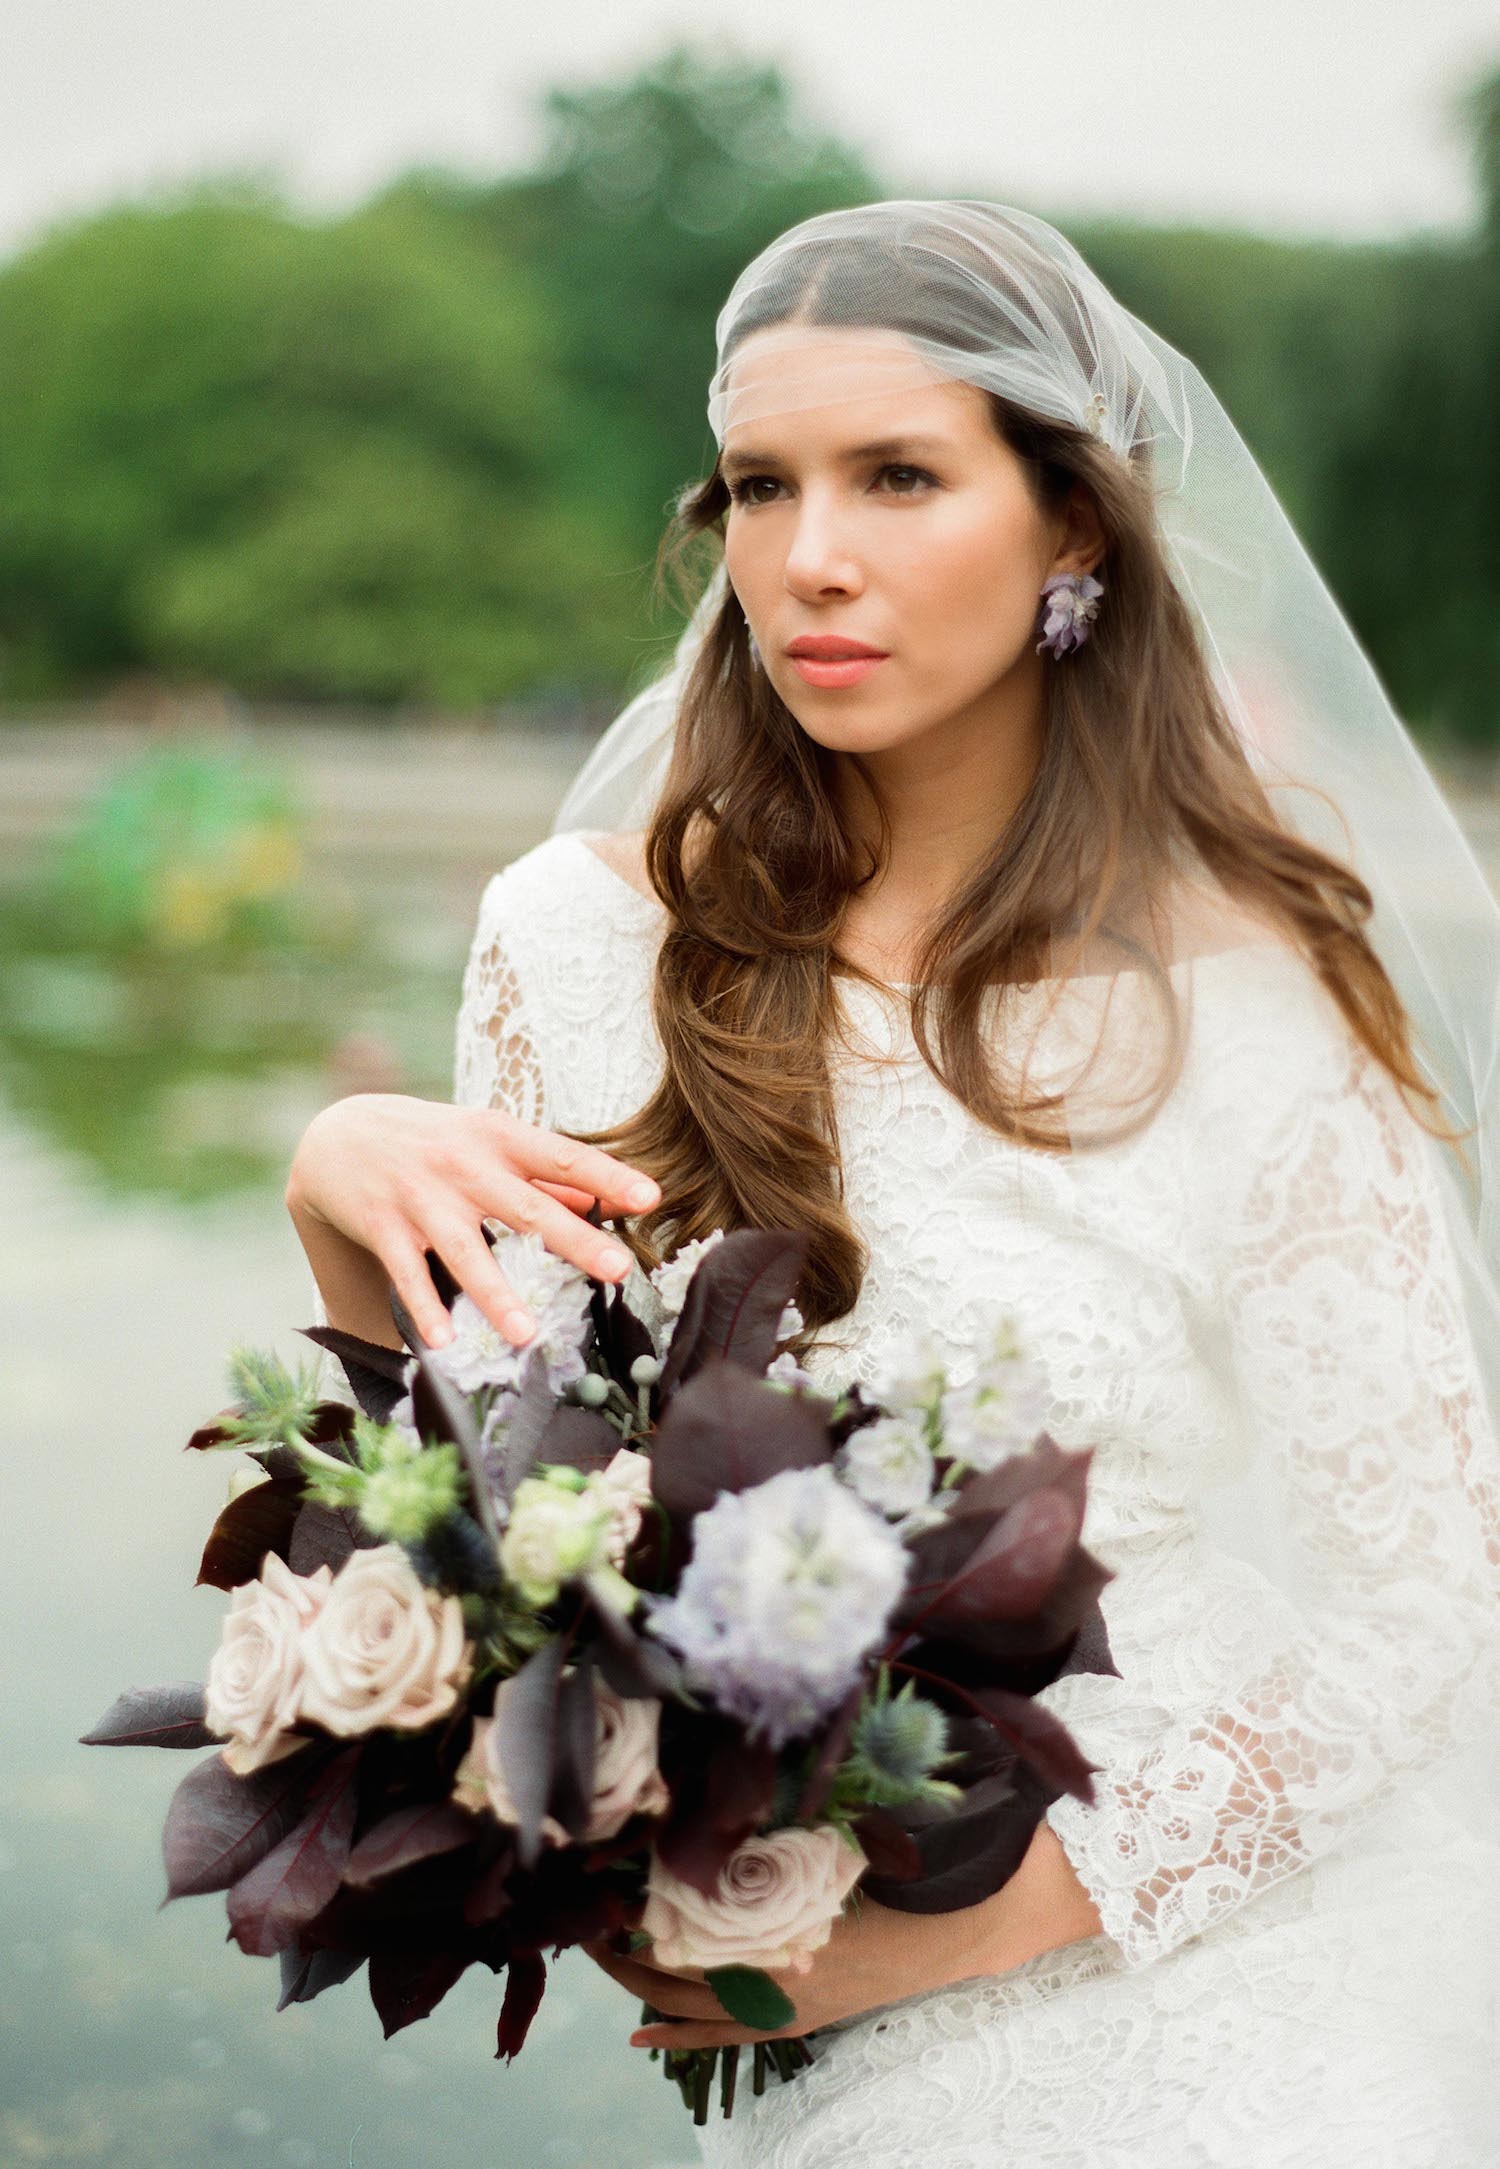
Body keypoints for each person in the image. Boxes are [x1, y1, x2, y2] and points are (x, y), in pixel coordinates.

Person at [285, 202, 1500, 2164]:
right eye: (762, 484)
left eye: (900, 476)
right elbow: (505, 1511)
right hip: (805, 1973)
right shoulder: (574, 942)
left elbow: (1428, 1592)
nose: (811, 555)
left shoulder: (1249, 1008)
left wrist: (1016, 1922)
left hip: (1233, 1947)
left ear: (1073, 530)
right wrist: (338, 1202)